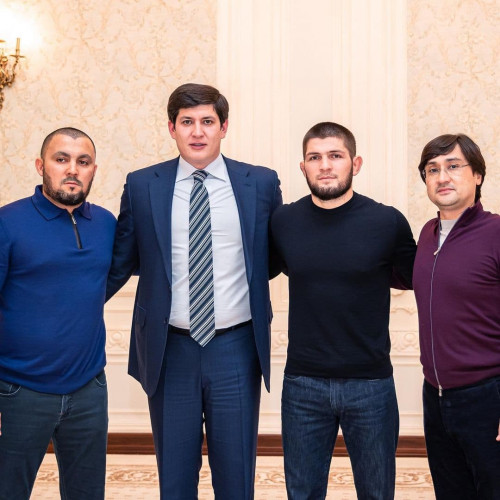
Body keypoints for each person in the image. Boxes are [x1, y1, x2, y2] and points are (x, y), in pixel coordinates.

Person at [106, 83, 282, 499]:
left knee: (236, 478)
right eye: (187, 122)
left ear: (224, 127)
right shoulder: (142, 185)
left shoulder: (260, 183)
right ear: (172, 128)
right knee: (175, 479)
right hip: (170, 350)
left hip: (236, 348)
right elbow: (121, 261)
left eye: (207, 121)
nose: (197, 132)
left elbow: (275, 257)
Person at [270, 122, 416, 499]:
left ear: (356, 163)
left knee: (377, 492)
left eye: (335, 155)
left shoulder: (387, 222)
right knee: (302, 493)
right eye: (315, 157)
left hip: (370, 384)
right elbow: (259, 269)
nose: (325, 165)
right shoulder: (283, 222)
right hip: (303, 383)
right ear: (303, 166)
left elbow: (419, 278)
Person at [0, 127, 116, 499]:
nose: (72, 169)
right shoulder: (7, 222)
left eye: (83, 161)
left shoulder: (107, 224)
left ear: (94, 170)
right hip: (18, 390)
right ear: (41, 166)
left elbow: (103, 285)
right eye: (61, 159)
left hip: (88, 390)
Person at [413, 134, 500, 499]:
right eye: (433, 169)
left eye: (453, 166)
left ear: (477, 175)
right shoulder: (427, 233)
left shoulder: (496, 232)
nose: (442, 177)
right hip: (435, 396)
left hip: (487, 397)